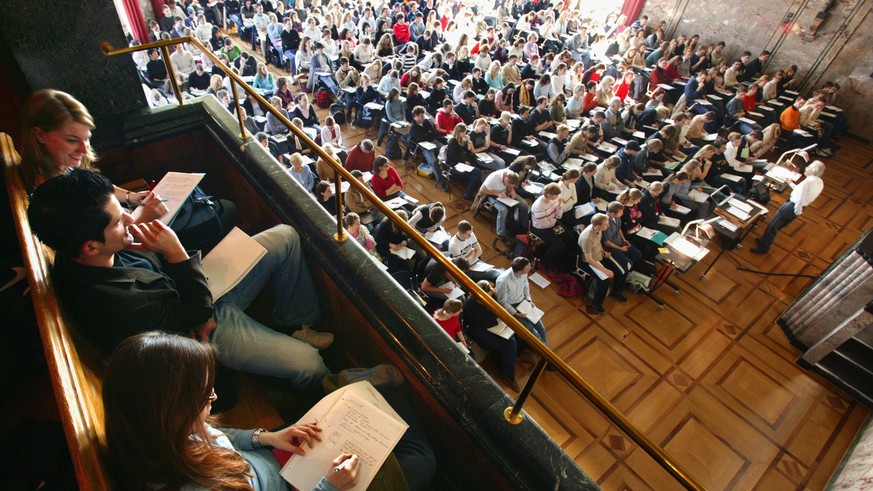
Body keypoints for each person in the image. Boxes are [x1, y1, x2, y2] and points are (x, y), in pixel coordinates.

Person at [28, 168, 333, 387]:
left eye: (121, 207)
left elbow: (163, 275)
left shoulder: (88, 254)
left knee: (285, 237)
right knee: (311, 365)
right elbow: (195, 318)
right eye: (117, 219)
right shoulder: (118, 305)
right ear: (90, 246)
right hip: (199, 330)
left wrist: (152, 238)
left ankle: (295, 321)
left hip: (191, 294)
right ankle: (301, 396)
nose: (127, 216)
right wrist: (174, 251)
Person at [103, 331, 436, 491]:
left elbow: (223, 437)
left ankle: (361, 388)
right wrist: (331, 486)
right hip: (298, 485)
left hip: (272, 460)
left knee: (351, 413)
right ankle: (362, 386)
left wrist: (268, 437)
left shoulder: (153, 431)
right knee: (421, 458)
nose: (215, 396)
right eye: (205, 395)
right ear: (173, 410)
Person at [752, 161, 826, 254]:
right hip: (801, 206)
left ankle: (764, 247)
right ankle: (764, 241)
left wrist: (797, 211)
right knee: (778, 225)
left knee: (773, 225)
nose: (807, 168)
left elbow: (800, 197)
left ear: (813, 170)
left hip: (793, 206)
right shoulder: (819, 181)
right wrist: (790, 183)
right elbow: (801, 191)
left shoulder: (808, 181)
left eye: (809, 167)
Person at [463, 280, 522, 392]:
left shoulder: (492, 295)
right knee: (509, 344)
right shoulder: (470, 304)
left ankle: (506, 361)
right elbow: (478, 323)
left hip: (494, 324)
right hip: (478, 329)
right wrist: (495, 319)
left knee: (513, 338)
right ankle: (508, 376)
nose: (488, 299)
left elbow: (496, 308)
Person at [577, 213, 628, 315]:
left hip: (599, 256)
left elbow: (599, 241)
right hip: (589, 262)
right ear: (598, 225)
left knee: (621, 270)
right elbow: (589, 259)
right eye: (605, 224)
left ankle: (616, 291)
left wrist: (603, 251)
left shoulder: (598, 230)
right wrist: (605, 270)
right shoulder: (587, 237)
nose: (608, 226)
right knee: (605, 281)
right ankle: (596, 303)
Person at [496, 257, 547, 345]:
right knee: (531, 330)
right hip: (512, 306)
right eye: (528, 268)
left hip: (523, 302)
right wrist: (516, 313)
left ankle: (545, 347)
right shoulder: (503, 281)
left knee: (541, 328)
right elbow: (502, 301)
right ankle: (543, 350)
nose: (530, 269)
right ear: (519, 271)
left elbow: (526, 286)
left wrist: (528, 300)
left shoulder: (524, 273)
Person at [475, 170, 529, 243]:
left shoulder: (511, 174)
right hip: (490, 195)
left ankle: (523, 230)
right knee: (503, 210)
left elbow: (510, 186)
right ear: (506, 180)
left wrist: (512, 190)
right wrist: (497, 194)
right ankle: (501, 234)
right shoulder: (494, 177)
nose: (509, 186)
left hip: (503, 193)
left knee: (524, 204)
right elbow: (482, 190)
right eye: (509, 185)